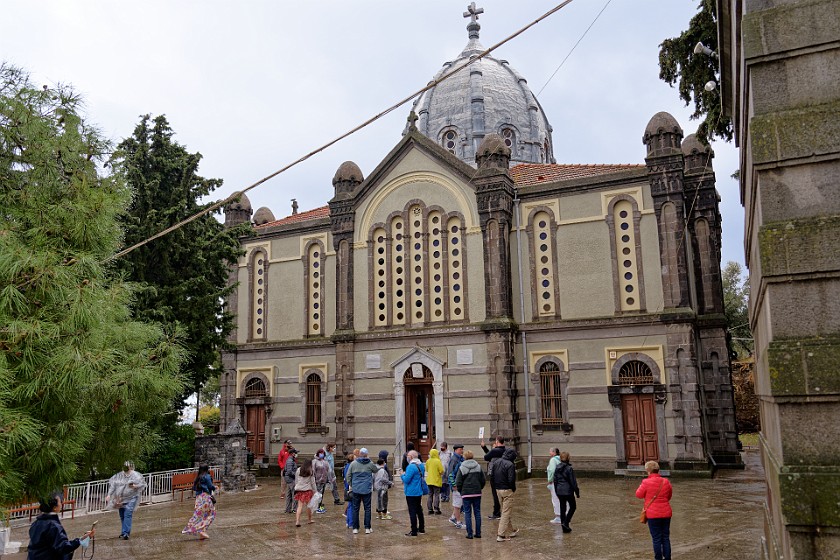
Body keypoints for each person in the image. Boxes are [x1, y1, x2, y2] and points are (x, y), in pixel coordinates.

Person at [27, 491, 94, 560]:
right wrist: (79, 540)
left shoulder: (35, 523)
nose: (61, 504)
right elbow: (63, 547)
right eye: (60, 502)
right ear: (55, 507)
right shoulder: (53, 526)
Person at [636, 460, 673, 560]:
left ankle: (658, 558)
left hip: (652, 515)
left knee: (656, 539)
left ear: (648, 471)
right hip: (666, 513)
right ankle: (668, 558)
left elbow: (638, 495)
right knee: (665, 537)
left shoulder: (645, 482)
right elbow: (669, 496)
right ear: (658, 470)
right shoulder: (666, 481)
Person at [105, 460, 147, 540]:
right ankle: (124, 532)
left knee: (128, 513)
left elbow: (143, 484)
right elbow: (113, 485)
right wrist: (109, 495)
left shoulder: (136, 475)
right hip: (121, 499)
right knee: (122, 515)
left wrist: (135, 486)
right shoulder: (119, 476)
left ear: (131, 467)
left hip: (132, 497)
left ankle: (126, 533)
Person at [455, 449, 486, 540]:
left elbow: (458, 482)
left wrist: (461, 491)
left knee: (467, 513)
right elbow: (483, 480)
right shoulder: (478, 467)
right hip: (477, 493)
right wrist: (479, 488)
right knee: (477, 512)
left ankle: (469, 533)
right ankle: (478, 533)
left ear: (464, 457)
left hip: (466, 494)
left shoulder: (462, 467)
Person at [347, 447, 379, 534]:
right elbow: (375, 470)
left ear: (359, 454)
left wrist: (352, 485)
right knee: (367, 509)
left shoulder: (353, 464)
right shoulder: (370, 463)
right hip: (367, 489)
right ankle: (367, 528)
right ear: (367, 455)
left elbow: (348, 476)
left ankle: (355, 528)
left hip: (356, 489)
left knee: (355, 509)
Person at [181, 465, 216, 540]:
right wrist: (215, 487)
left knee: (199, 514)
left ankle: (197, 530)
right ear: (207, 469)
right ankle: (201, 530)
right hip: (205, 497)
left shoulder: (198, 477)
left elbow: (194, 488)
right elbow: (210, 486)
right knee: (211, 514)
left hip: (198, 498)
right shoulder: (206, 476)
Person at [493, 448, 518, 542]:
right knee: (506, 512)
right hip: (507, 489)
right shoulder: (510, 465)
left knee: (505, 510)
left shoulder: (496, 462)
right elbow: (511, 479)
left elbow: (492, 476)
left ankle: (511, 531)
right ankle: (501, 535)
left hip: (498, 489)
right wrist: (513, 488)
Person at [553, 451, 580, 533]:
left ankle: (564, 526)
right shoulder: (569, 468)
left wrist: (557, 492)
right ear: (568, 458)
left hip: (560, 491)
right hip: (568, 491)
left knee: (562, 508)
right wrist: (577, 492)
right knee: (573, 507)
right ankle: (566, 522)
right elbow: (573, 482)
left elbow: (555, 481)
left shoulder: (557, 467)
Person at [401, 450, 426, 537]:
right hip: (419, 491)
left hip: (411, 492)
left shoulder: (411, 467)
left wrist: (402, 475)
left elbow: (406, 480)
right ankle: (422, 528)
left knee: (412, 511)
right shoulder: (421, 465)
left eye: (408, 456)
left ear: (411, 457)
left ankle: (414, 530)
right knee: (419, 509)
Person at [480, 435, 505, 519]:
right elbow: (490, 455)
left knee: (495, 494)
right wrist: (484, 448)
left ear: (497, 442)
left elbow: (486, 457)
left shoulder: (495, 451)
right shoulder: (506, 450)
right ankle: (503, 512)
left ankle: (497, 513)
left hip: (494, 475)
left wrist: (493, 449)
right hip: (503, 474)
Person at [294, 458, 317, 528]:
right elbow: (313, 482)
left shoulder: (298, 470)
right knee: (308, 506)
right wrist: (315, 491)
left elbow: (296, 480)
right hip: (307, 490)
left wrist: (296, 487)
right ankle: (309, 520)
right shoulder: (311, 471)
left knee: (299, 506)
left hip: (299, 490)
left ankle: (297, 521)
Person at [448, 444, 465, 528]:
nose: (462, 451)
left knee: (459, 503)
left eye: (462, 449)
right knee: (458, 504)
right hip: (456, 485)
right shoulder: (454, 459)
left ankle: (453, 517)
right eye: (460, 449)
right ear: (455, 450)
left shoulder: (461, 458)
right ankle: (458, 522)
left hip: (460, 485)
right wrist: (453, 484)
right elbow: (450, 473)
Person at [312, 449, 335, 514]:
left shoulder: (325, 461)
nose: (321, 454)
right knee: (317, 494)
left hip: (323, 480)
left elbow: (329, 471)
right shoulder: (314, 461)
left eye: (322, 453)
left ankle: (319, 506)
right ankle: (316, 507)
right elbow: (313, 471)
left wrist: (330, 480)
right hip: (317, 480)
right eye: (320, 453)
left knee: (321, 494)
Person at [425, 448, 444, 515]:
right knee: (436, 495)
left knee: (430, 494)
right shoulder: (438, 461)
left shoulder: (428, 461)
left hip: (429, 480)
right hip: (436, 480)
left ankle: (430, 509)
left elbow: (427, 470)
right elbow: (441, 471)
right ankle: (436, 509)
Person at [546, 447, 564, 524]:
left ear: (553, 452)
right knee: (562, 499)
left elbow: (552, 470)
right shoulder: (561, 459)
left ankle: (558, 517)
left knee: (555, 499)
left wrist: (550, 480)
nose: (549, 453)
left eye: (550, 451)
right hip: (562, 482)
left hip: (555, 482)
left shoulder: (553, 460)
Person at [277, 439, 293, 504]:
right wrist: (282, 466)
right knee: (283, 482)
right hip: (284, 468)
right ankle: (283, 493)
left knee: (291, 481)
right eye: (287, 443)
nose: (288, 445)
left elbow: (295, 458)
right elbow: (279, 460)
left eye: (289, 443)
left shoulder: (291, 450)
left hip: (290, 468)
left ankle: (291, 493)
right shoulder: (282, 451)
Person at [282, 448, 299, 514]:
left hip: (289, 479)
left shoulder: (291, 460)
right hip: (291, 479)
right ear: (293, 454)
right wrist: (296, 475)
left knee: (289, 495)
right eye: (296, 453)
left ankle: (288, 509)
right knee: (295, 494)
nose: (297, 454)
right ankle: (294, 509)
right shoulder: (290, 461)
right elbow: (289, 471)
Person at [343, 452, 355, 527]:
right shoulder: (351, 466)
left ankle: (348, 522)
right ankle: (351, 523)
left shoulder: (347, 466)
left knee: (350, 505)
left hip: (347, 487)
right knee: (352, 506)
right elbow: (348, 478)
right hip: (350, 488)